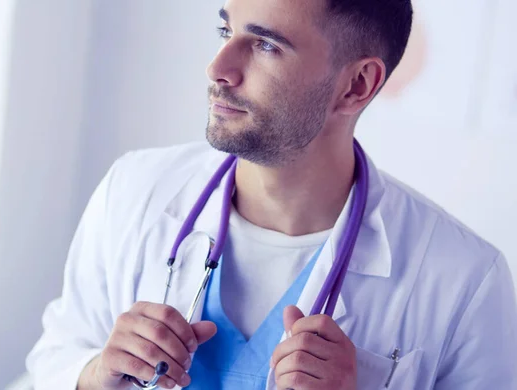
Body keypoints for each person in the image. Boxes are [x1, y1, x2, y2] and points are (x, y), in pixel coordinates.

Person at [26, 0, 517, 389]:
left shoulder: (464, 279)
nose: (218, 68)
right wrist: (92, 376)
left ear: (356, 85)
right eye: (226, 31)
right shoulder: (133, 191)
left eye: (265, 45)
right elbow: (55, 356)